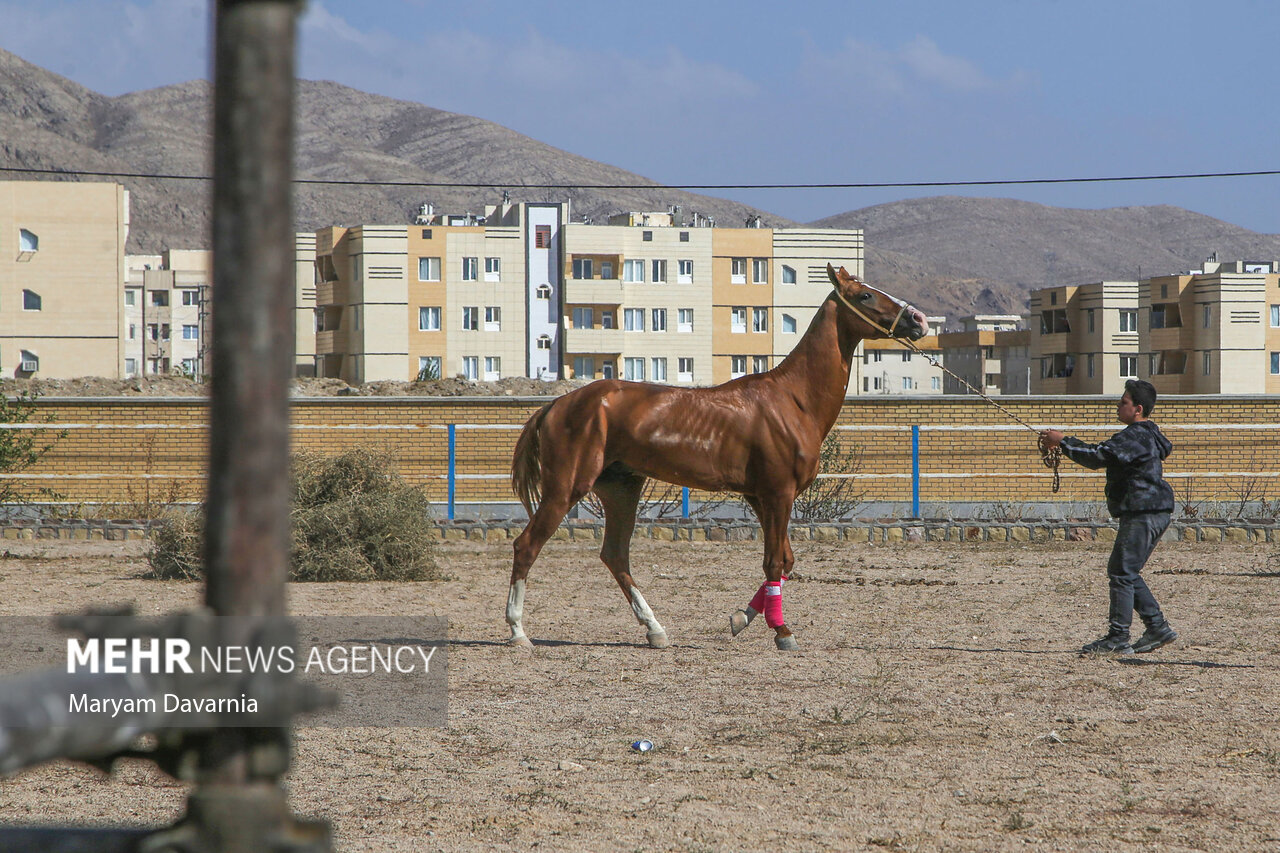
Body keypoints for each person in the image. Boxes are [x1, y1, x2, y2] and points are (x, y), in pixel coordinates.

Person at [1039, 379, 1179, 656]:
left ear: (1137, 409)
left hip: (1143, 511)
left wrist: (1062, 441)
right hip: (1150, 511)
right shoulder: (1145, 435)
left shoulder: (1134, 436)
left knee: (1121, 572)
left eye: (1123, 402)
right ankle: (1156, 627)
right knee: (1124, 571)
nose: (1119, 405)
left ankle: (1118, 638)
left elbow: (1097, 456)